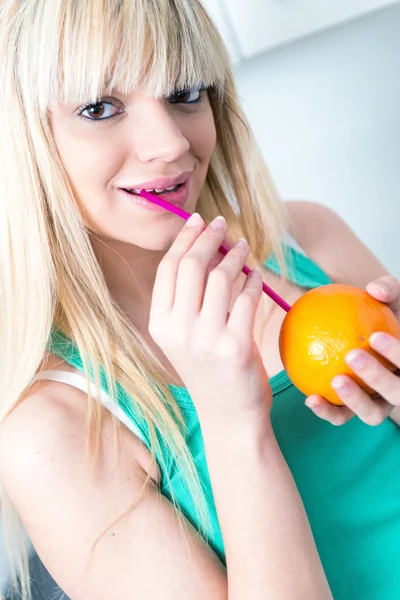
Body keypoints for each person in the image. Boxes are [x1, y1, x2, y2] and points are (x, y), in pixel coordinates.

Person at [0, 0, 399, 598]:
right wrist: (234, 422)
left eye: (185, 91)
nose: (170, 143)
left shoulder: (312, 238)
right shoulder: (52, 432)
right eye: (99, 107)